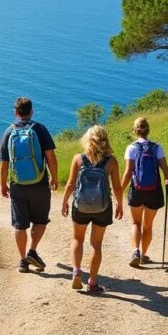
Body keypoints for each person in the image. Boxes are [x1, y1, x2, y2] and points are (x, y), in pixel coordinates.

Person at [0, 97, 58, 273]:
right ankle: (32, 250)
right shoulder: (39, 129)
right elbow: (51, 157)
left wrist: (3, 184)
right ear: (31, 112)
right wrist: (54, 178)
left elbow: (3, 164)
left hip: (17, 185)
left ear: (15, 113)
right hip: (39, 183)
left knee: (20, 224)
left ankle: (23, 261)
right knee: (40, 220)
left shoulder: (8, 132)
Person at [61, 126, 123, 293]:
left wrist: (65, 202)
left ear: (87, 140)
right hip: (102, 208)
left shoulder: (78, 159)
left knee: (77, 239)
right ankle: (93, 282)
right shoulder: (111, 161)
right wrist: (120, 204)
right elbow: (117, 187)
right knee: (96, 244)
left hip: (80, 206)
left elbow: (70, 184)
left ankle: (76, 271)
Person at [122, 117, 168, 268]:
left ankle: (135, 251)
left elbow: (127, 173)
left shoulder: (131, 148)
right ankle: (144, 255)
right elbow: (167, 172)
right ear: (148, 130)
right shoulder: (157, 147)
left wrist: (119, 190)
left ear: (134, 131)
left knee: (136, 222)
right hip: (154, 190)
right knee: (148, 225)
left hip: (137, 191)